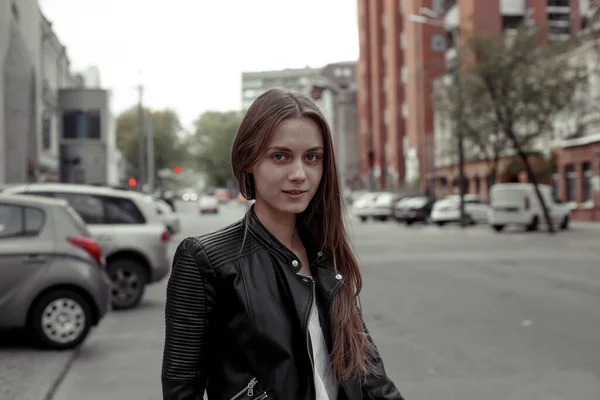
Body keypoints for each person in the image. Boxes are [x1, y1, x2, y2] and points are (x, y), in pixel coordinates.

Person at [161, 88, 404, 400]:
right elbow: (182, 391)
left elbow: (370, 378)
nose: (299, 174)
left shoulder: (327, 256)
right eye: (280, 156)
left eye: (312, 157)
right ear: (248, 160)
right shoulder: (206, 261)